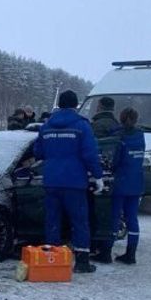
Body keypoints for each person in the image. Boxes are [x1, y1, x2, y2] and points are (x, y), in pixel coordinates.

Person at [33, 89, 105, 273]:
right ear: (75, 105)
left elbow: (38, 152)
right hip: (74, 181)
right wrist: (98, 176)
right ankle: (81, 262)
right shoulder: (82, 126)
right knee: (79, 221)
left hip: (51, 180)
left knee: (52, 220)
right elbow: (89, 154)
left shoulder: (46, 126)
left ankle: (52, 260)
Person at [96, 108, 145, 264]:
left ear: (121, 118)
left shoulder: (119, 137)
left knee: (114, 218)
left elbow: (115, 160)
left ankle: (106, 252)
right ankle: (131, 254)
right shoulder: (140, 135)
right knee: (132, 219)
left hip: (121, 182)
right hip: (137, 181)